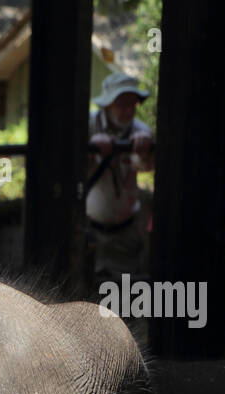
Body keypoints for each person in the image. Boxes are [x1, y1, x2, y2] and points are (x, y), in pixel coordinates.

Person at [85, 73, 154, 286]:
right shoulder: (88, 126)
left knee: (126, 294)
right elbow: (70, 171)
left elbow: (146, 167)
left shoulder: (141, 131)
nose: (129, 110)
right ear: (107, 104)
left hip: (126, 232)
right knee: (86, 291)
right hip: (90, 230)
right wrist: (91, 149)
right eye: (122, 103)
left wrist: (143, 152)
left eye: (132, 104)